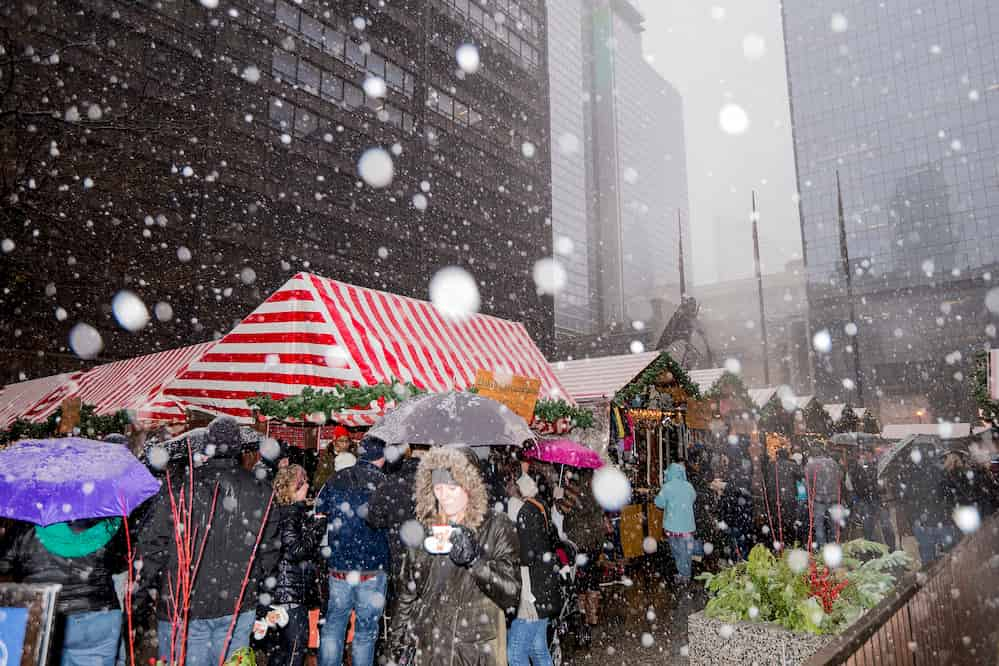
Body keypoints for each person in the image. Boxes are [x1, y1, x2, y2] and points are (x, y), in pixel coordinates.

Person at [136, 416, 280, 666]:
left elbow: (151, 545)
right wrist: (256, 582)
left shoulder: (180, 488)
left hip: (186, 602)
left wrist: (142, 593)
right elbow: (270, 550)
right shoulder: (261, 490)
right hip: (237, 601)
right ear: (238, 447)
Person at [391, 446, 520, 665]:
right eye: (438, 488)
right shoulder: (424, 530)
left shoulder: (497, 526)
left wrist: (475, 562)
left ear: (470, 486)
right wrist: (395, 646)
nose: (444, 497)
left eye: (453, 488)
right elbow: (407, 593)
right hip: (429, 647)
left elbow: (510, 594)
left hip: (473, 651)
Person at [0, 517, 124, 665]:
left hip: (45, 616)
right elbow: (118, 563)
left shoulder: (27, 525)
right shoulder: (107, 524)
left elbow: (4, 565)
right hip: (97, 616)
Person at [316, 436, 390, 666]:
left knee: (334, 625)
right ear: (382, 457)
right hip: (372, 567)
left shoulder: (336, 478)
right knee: (365, 633)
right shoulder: (384, 483)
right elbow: (392, 523)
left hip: (340, 565)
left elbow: (319, 514)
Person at [257, 464, 326, 666]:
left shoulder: (278, 511)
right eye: (305, 484)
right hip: (290, 595)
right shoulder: (291, 514)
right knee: (294, 651)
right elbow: (295, 551)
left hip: (278, 593)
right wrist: (316, 528)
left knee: (279, 653)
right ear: (296, 487)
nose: (308, 488)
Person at [506, 472, 562, 666]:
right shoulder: (541, 507)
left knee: (515, 653)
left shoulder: (525, 513)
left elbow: (527, 556)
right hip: (546, 586)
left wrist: (526, 594)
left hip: (534, 589)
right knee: (537, 648)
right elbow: (551, 541)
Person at [557, 468, 605, 632]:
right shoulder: (599, 485)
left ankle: (581, 614)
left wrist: (558, 496)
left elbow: (563, 509)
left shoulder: (574, 487)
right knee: (592, 576)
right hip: (596, 538)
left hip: (579, 540)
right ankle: (592, 616)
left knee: (579, 579)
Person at [655, 463, 700, 585]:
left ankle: (684, 574)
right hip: (687, 526)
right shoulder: (689, 486)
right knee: (686, 551)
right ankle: (685, 572)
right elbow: (693, 498)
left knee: (677, 551)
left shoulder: (667, 487)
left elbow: (658, 503)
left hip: (672, 526)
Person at [849, 449, 895, 550]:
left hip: (877, 500)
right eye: (862, 455)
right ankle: (871, 549)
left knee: (886, 526)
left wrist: (878, 487)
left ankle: (891, 548)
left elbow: (883, 486)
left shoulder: (877, 467)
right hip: (865, 501)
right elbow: (854, 486)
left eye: (867, 454)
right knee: (868, 528)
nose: (865, 457)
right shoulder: (855, 469)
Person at [804, 445, 843, 547]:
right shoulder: (832, 463)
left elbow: (808, 483)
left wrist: (811, 497)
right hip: (833, 499)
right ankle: (834, 547)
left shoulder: (810, 465)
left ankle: (822, 550)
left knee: (819, 527)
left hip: (819, 500)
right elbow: (840, 477)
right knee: (834, 526)